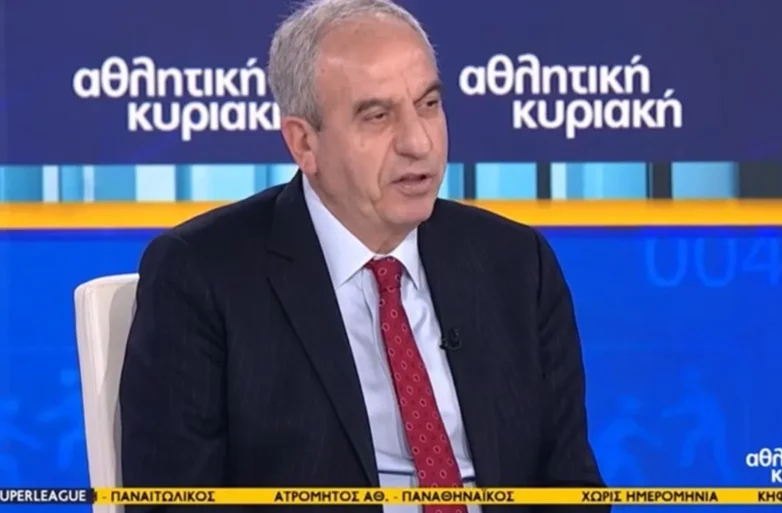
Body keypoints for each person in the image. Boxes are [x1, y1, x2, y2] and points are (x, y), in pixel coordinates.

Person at [119, 0, 606, 511]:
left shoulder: (517, 264)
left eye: (429, 105)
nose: (418, 142)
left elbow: (570, 487)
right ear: (304, 144)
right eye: (377, 116)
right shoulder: (203, 275)